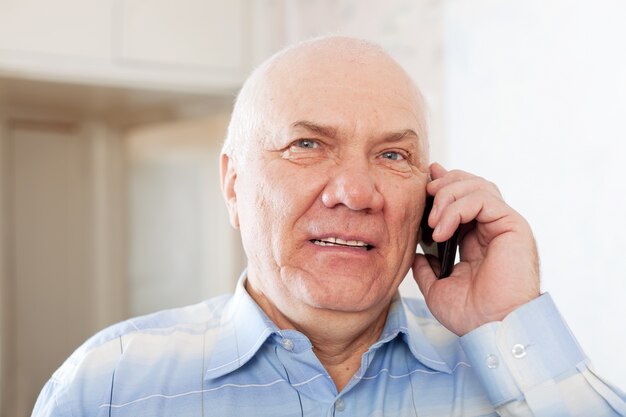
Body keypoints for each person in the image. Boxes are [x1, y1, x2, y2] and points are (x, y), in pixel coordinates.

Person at [32, 36, 626, 417]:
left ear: (430, 190)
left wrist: (508, 324)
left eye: (393, 155)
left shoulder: (515, 374)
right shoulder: (108, 386)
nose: (355, 192)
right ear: (234, 183)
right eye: (308, 144)